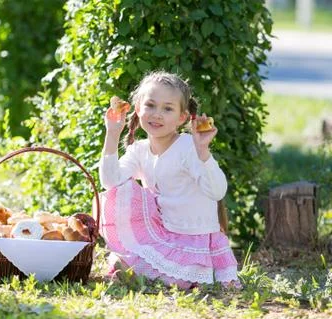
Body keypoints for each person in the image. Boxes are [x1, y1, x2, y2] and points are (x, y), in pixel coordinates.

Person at [98, 71, 240, 289]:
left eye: (168, 108)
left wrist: (203, 152)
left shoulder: (188, 148)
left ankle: (176, 275)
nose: (157, 114)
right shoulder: (140, 150)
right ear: (138, 109)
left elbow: (217, 191)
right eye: (151, 105)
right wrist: (112, 134)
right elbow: (110, 183)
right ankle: (140, 270)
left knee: (175, 280)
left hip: (191, 237)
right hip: (162, 234)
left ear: (182, 117)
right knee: (120, 192)